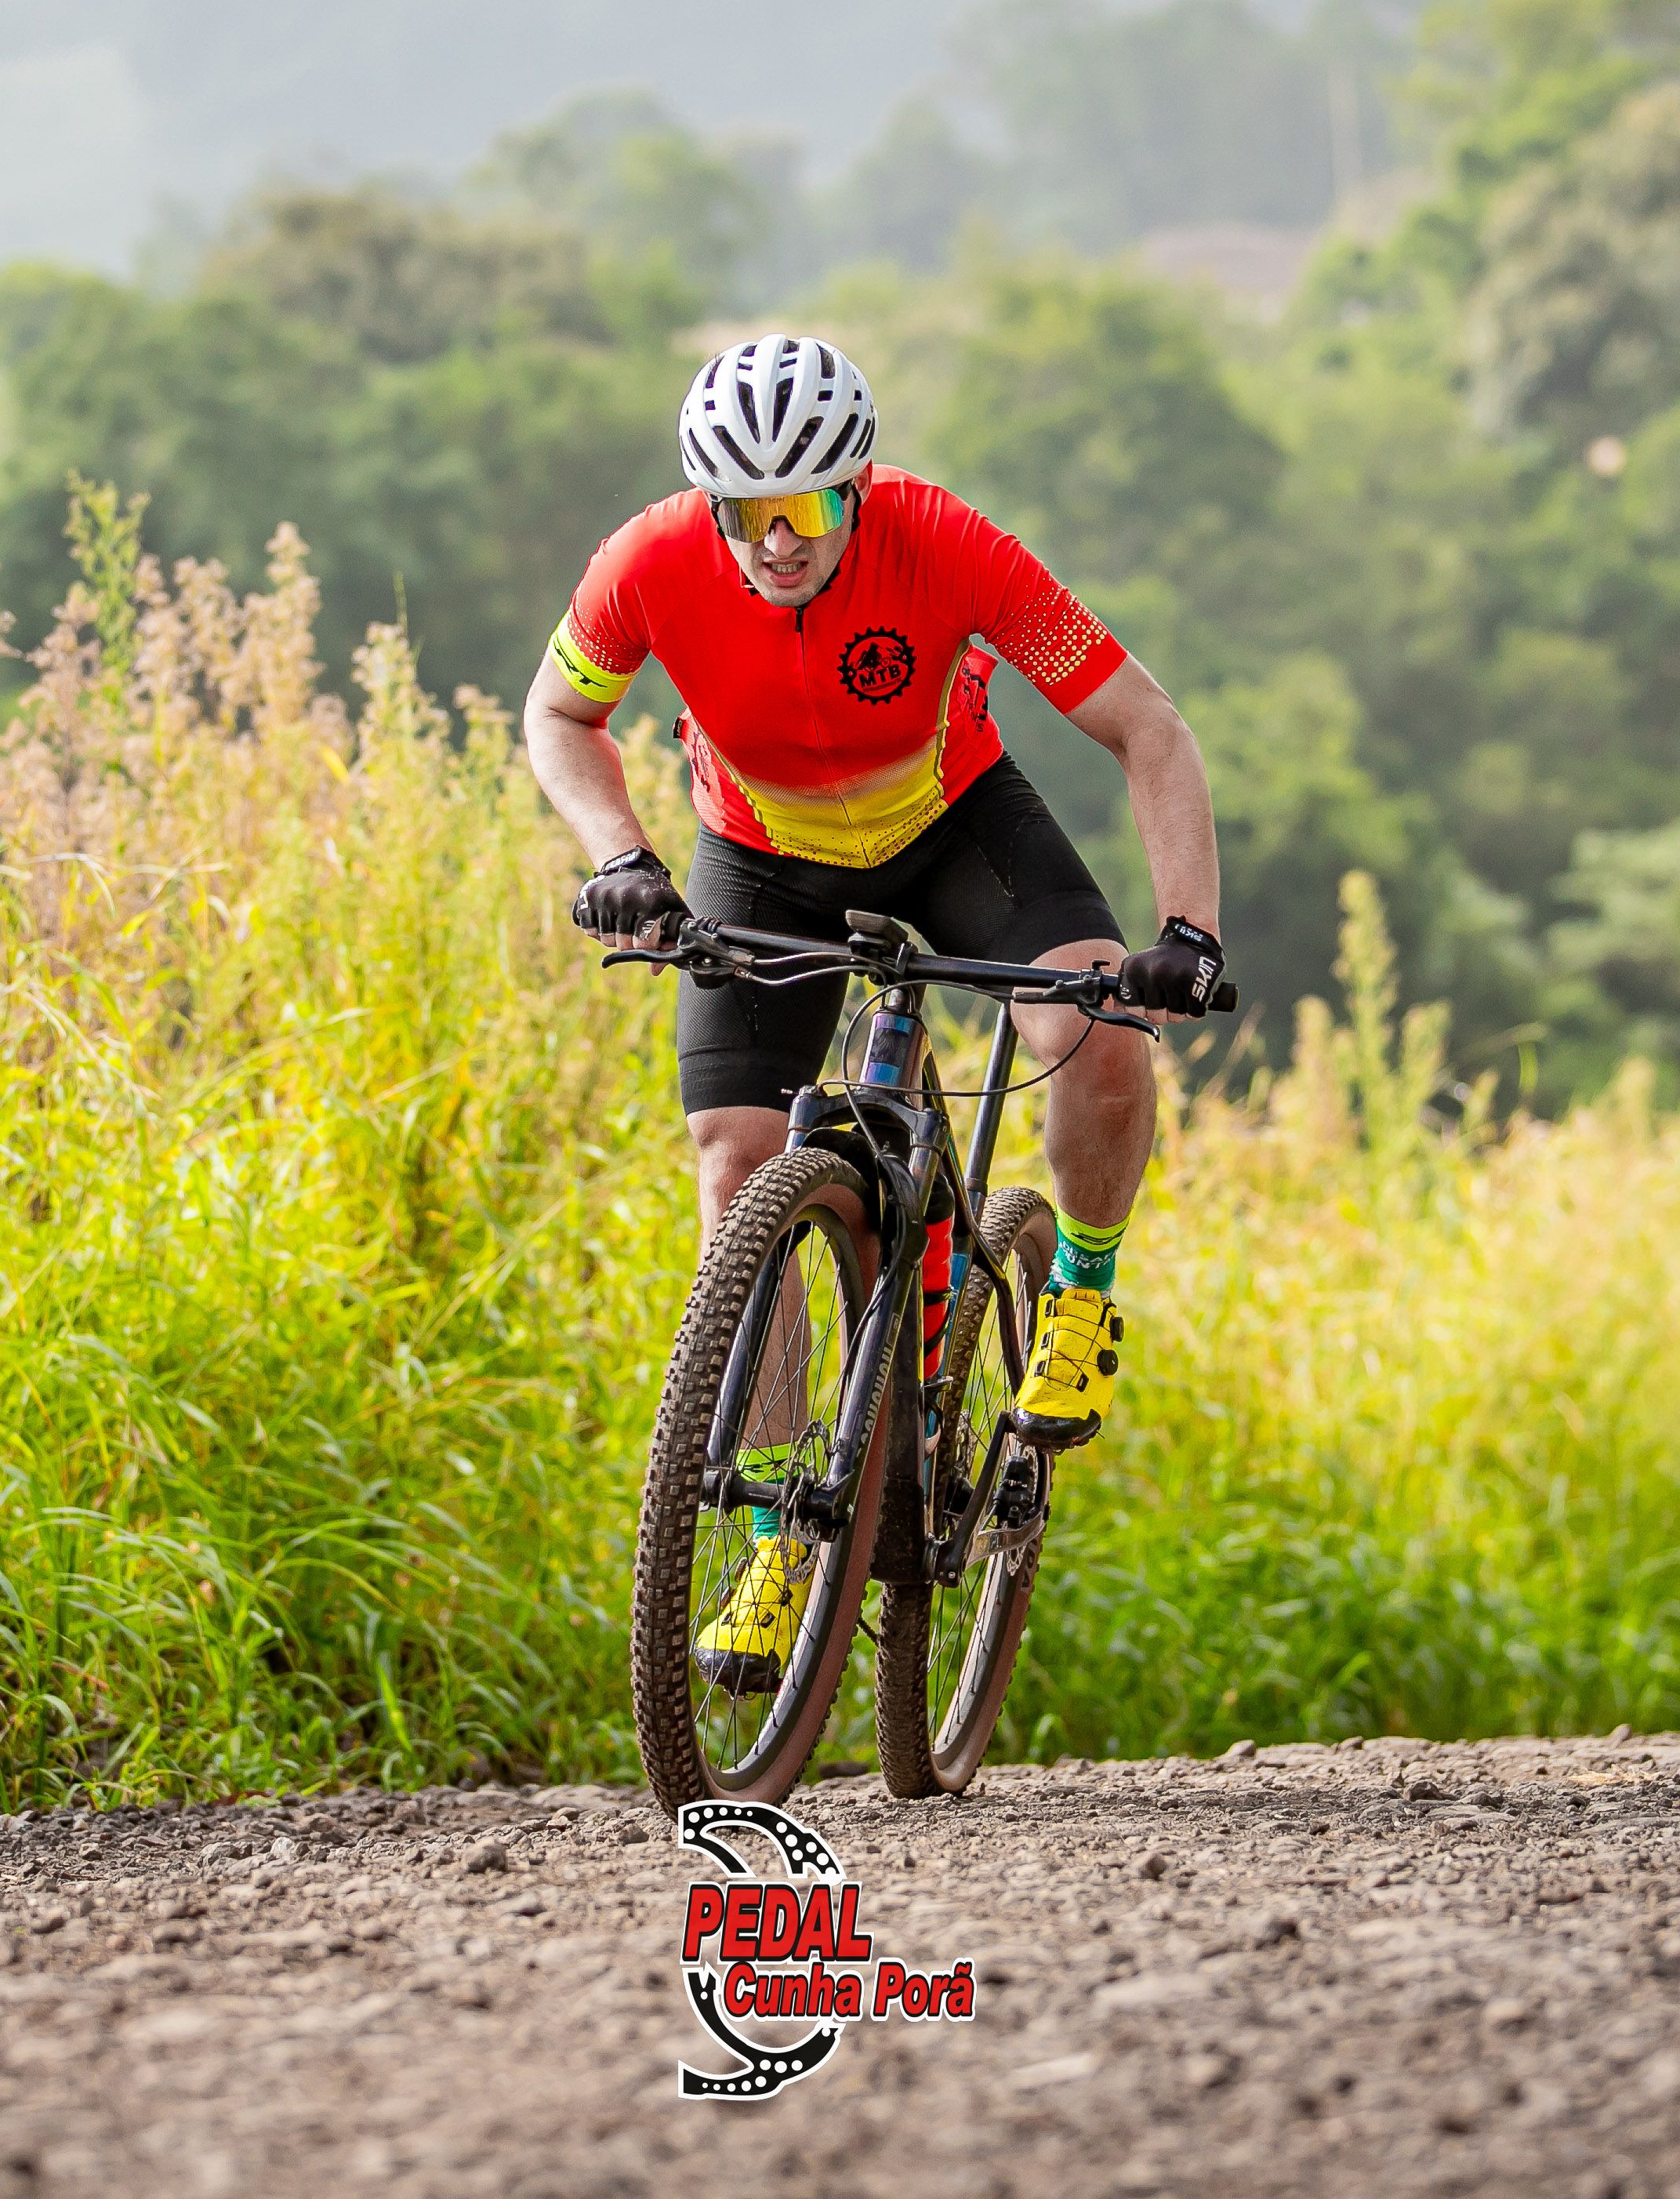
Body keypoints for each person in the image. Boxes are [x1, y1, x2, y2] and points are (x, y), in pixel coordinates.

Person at [522, 335, 1223, 1689]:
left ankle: (1080, 1292)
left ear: (857, 488)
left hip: (951, 824)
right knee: (737, 1159)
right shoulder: (649, 561)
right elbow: (561, 713)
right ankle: (778, 1531)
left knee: (1098, 1036)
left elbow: (1150, 726)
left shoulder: (945, 541)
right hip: (761, 851)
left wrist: (1186, 931)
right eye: (747, 515)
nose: (779, 542)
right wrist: (622, 858)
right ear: (711, 508)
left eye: (807, 506)